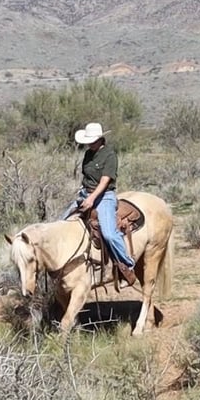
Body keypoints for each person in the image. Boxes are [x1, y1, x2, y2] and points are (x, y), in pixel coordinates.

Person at [61, 122, 136, 285]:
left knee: (109, 234)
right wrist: (84, 194)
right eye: (88, 141)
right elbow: (87, 176)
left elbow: (104, 181)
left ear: (100, 139)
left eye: (92, 141)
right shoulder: (88, 154)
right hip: (86, 193)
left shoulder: (109, 155)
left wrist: (91, 199)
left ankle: (126, 266)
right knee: (62, 222)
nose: (89, 144)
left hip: (104, 196)